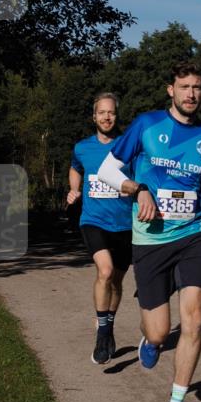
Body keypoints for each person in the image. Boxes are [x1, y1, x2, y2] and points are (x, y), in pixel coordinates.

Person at [98, 62, 201, 402]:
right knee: (159, 333)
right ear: (169, 90)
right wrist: (138, 188)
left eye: (198, 87)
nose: (192, 94)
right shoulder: (146, 125)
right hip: (151, 240)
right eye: (184, 86)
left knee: (195, 318)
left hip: (192, 235)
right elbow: (108, 171)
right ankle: (151, 339)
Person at [68, 93, 133, 366]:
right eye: (102, 113)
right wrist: (73, 189)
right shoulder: (82, 147)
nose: (107, 117)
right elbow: (75, 168)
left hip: (125, 224)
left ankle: (108, 326)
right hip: (93, 220)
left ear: (117, 116)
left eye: (111, 113)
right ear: (94, 117)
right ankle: (102, 333)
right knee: (104, 271)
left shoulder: (128, 146)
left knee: (116, 282)